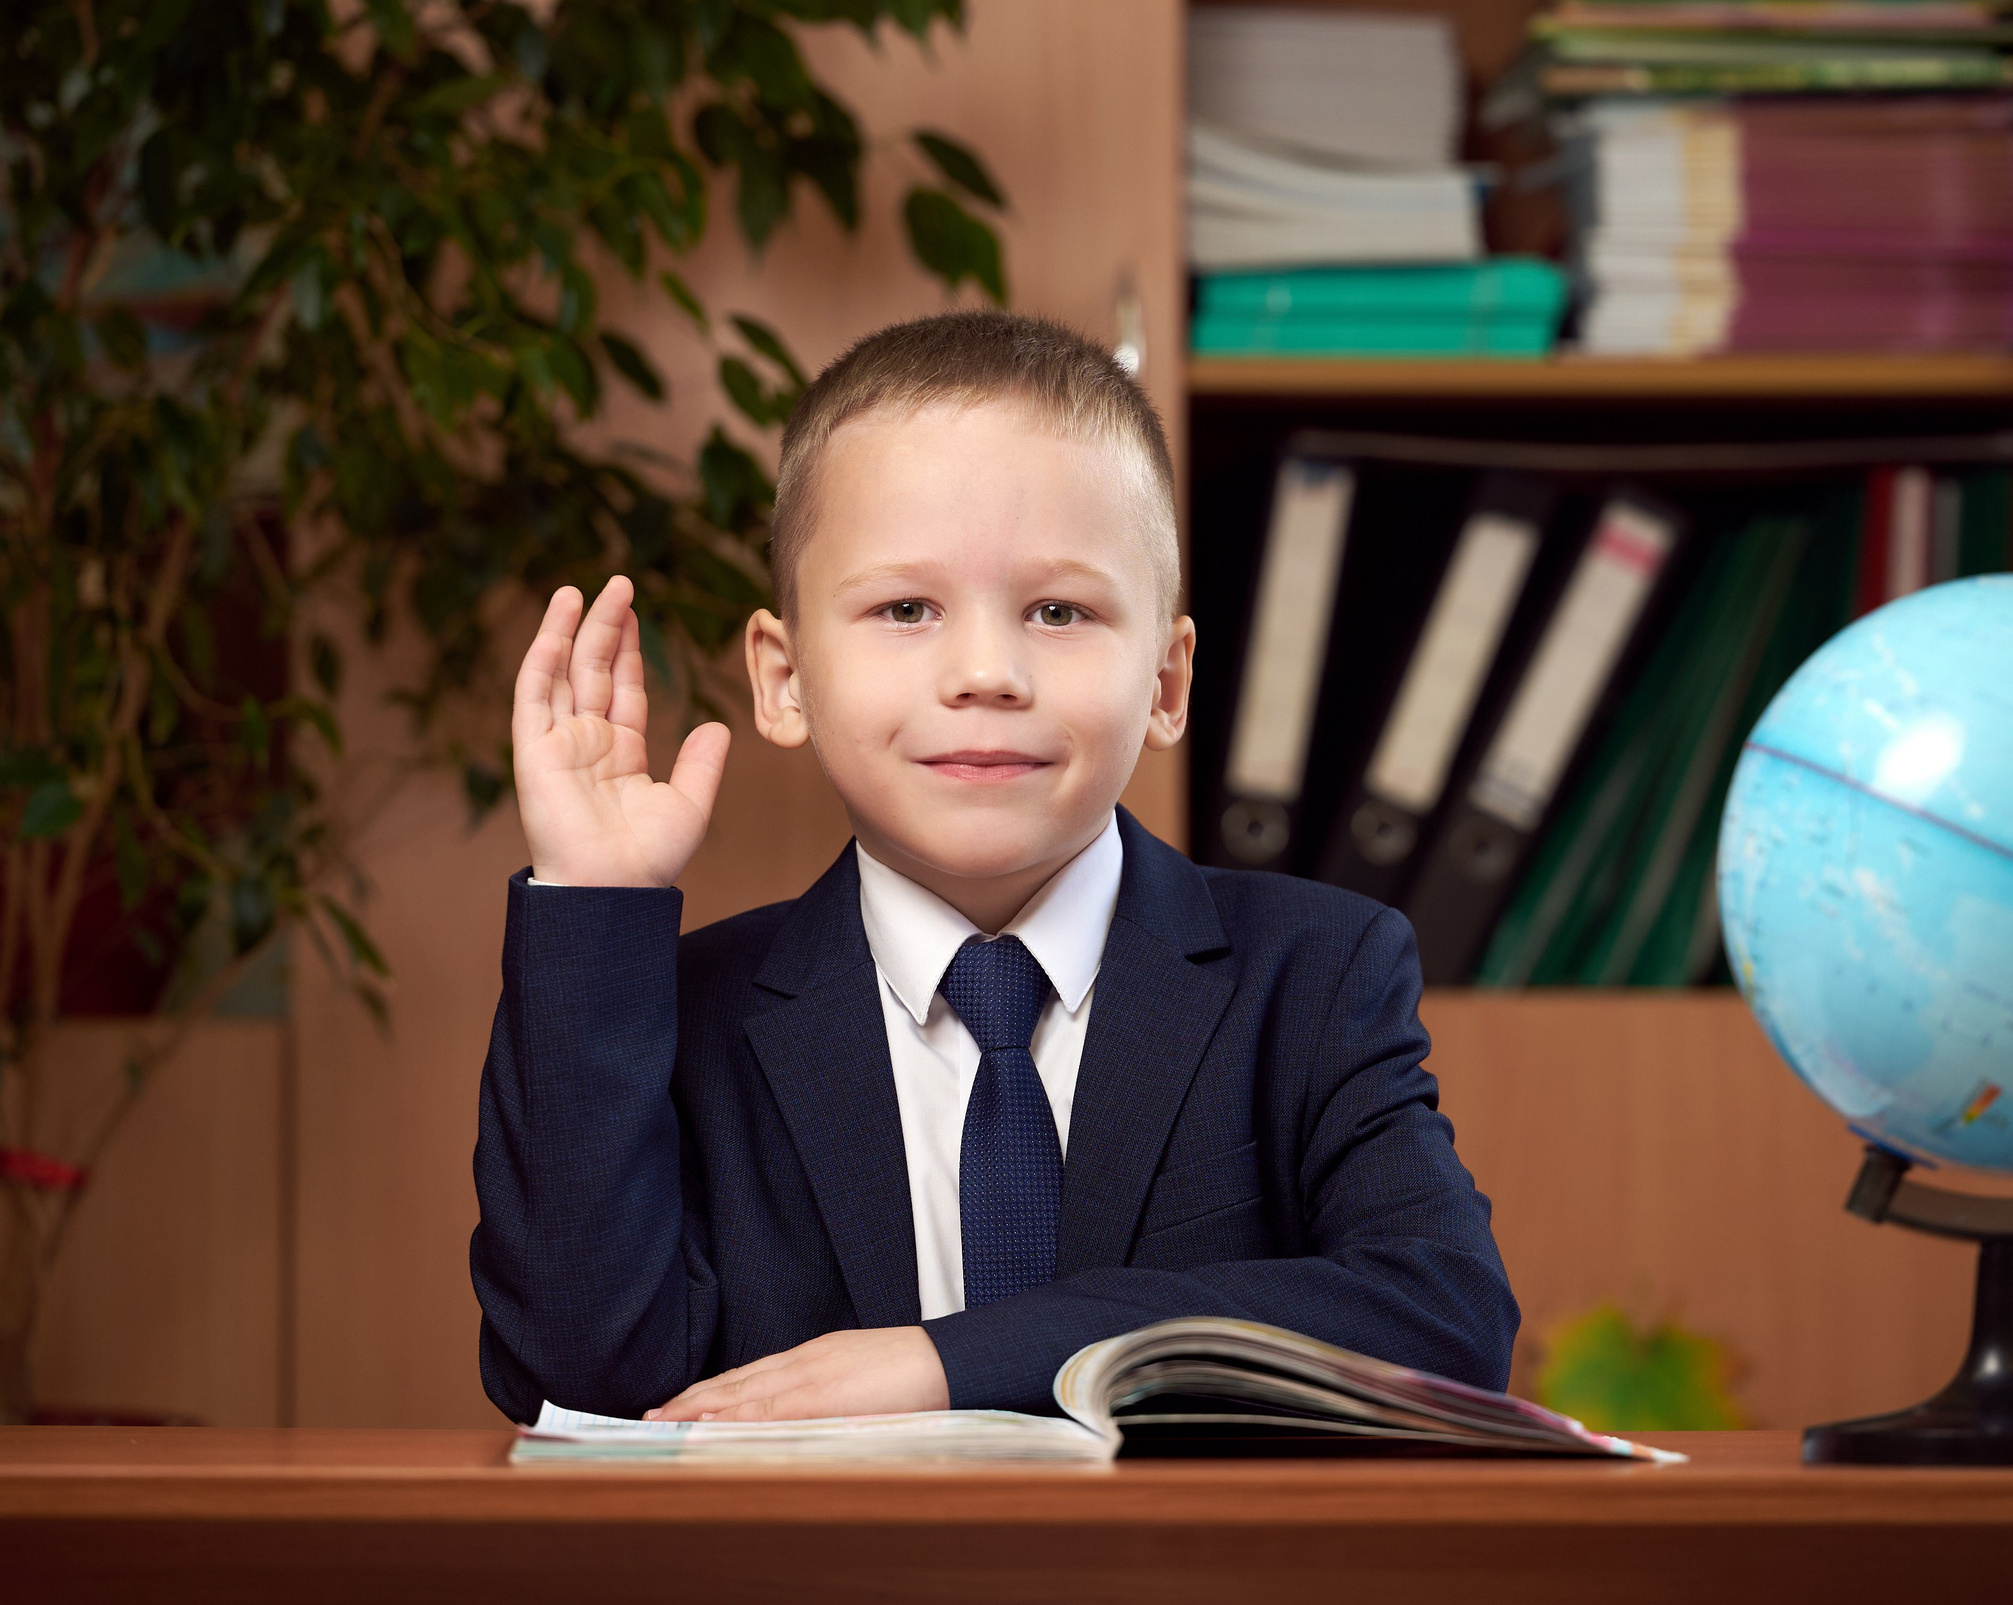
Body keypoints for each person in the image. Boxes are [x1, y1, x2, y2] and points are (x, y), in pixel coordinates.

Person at [471, 312, 1516, 1422]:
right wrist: (592, 903)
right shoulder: (679, 1013)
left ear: (1165, 682)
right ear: (783, 678)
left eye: (1058, 610)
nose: (985, 670)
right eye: (906, 608)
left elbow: (1440, 1315)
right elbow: (572, 1383)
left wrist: (950, 1360)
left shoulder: (1313, 972)